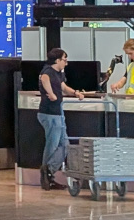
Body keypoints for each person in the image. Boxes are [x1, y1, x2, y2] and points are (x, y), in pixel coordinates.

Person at [38, 48, 85, 190]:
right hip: (50, 113)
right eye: (65, 59)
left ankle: (49, 171)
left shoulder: (59, 74)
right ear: (57, 60)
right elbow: (44, 79)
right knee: (53, 144)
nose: (66, 62)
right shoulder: (48, 71)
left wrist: (75, 93)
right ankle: (46, 171)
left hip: (58, 113)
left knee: (64, 145)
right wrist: (51, 94)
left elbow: (63, 87)